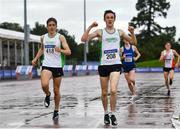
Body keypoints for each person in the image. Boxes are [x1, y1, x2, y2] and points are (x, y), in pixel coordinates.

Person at [81, 10, 137, 126]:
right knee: (104, 92)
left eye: (112, 17)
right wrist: (91, 26)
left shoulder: (120, 32)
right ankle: (106, 113)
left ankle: (113, 113)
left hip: (116, 64)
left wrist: (132, 32)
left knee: (113, 90)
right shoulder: (100, 32)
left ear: (114, 19)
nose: (110, 19)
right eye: (107, 17)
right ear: (104, 19)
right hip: (104, 65)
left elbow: (133, 42)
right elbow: (84, 39)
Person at [32, 17, 71, 120]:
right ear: (47, 27)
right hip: (47, 65)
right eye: (50, 25)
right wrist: (36, 58)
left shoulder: (60, 37)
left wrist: (60, 50)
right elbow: (42, 49)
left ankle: (56, 110)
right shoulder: (43, 37)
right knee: (44, 84)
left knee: (57, 91)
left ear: (56, 26)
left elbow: (68, 51)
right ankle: (48, 94)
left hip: (57, 66)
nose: (52, 27)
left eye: (53, 25)